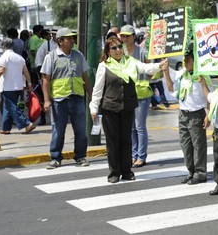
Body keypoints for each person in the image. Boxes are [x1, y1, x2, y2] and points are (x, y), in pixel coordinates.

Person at [90, 36, 167, 183]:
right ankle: (114, 172)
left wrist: (159, 65)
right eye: (114, 48)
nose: (118, 50)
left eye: (120, 47)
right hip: (110, 108)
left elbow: (145, 68)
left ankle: (126, 171)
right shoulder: (104, 66)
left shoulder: (130, 61)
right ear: (108, 51)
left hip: (127, 106)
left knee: (126, 140)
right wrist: (93, 108)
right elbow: (97, 89)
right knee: (113, 142)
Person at [41, 28, 92, 170]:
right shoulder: (50, 57)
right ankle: (56, 158)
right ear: (60, 41)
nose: (72, 40)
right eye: (68, 38)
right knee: (58, 130)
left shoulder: (78, 55)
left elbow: (85, 77)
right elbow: (45, 80)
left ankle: (80, 156)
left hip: (77, 98)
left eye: (72, 38)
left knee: (81, 130)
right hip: (59, 100)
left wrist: (91, 94)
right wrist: (46, 100)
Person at [162, 43, 210, 185]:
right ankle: (191, 171)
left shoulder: (201, 77)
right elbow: (171, 89)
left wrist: (208, 115)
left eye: (188, 60)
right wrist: (165, 72)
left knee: (198, 145)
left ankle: (200, 173)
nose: (185, 62)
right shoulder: (183, 75)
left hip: (196, 114)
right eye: (185, 60)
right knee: (185, 145)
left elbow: (208, 98)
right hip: (183, 114)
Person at [119, 25, 152, 168]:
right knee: (131, 127)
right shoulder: (121, 52)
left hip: (141, 94)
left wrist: (146, 80)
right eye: (123, 36)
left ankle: (141, 156)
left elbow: (151, 70)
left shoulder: (142, 52)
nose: (124, 39)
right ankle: (133, 155)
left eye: (127, 36)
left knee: (139, 126)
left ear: (133, 36)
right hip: (126, 94)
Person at [0, 38, 36, 135]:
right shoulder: (19, 57)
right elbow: (26, 71)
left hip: (8, 87)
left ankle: (27, 124)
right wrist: (29, 84)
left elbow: (1, 70)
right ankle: (6, 128)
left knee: (11, 107)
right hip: (19, 86)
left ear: (3, 46)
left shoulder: (5, 57)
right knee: (8, 107)